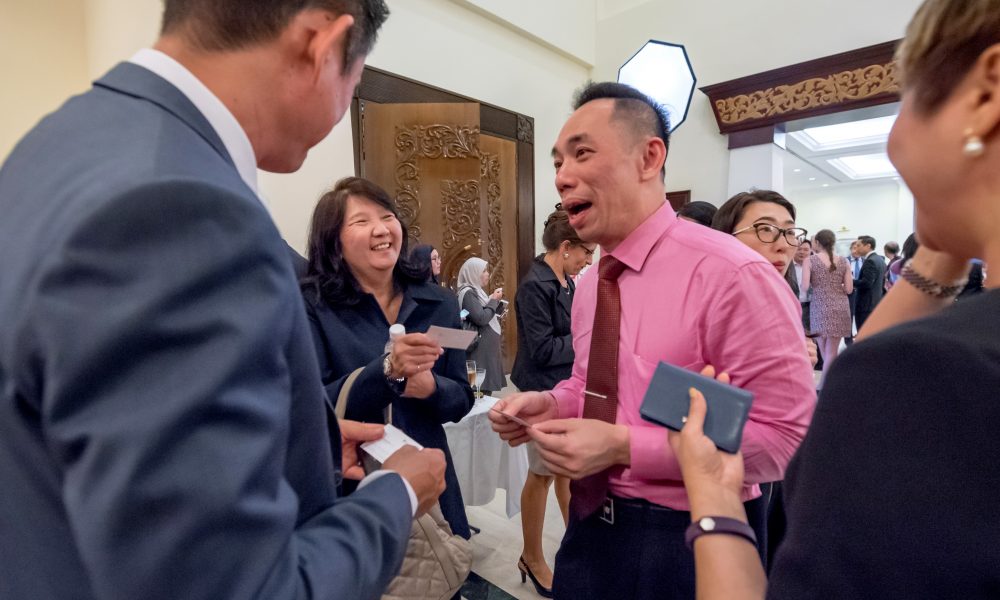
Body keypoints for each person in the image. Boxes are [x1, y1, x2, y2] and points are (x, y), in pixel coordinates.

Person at [0, 2, 452, 599]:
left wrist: (309, 443)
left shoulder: (61, 140)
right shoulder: (184, 208)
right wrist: (393, 496)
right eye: (356, 78)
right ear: (322, 45)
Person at [671, 1, 1000, 598]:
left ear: (985, 94)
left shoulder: (930, 371)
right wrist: (943, 243)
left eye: (906, 100)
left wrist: (714, 497)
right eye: (762, 230)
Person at [489, 81, 815, 600]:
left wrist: (624, 447)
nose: (562, 176)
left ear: (649, 157)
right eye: (557, 162)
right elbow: (592, 383)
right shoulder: (592, 283)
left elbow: (784, 439)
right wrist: (551, 403)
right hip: (591, 523)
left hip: (685, 538)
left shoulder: (733, 275)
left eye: (582, 154)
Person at [301, 177, 474, 540]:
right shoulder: (314, 306)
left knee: (446, 566)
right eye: (361, 221)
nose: (381, 229)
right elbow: (311, 405)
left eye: (387, 216)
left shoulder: (438, 302)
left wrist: (431, 388)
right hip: (355, 480)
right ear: (334, 242)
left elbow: (461, 399)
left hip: (429, 472)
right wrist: (387, 373)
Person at [710, 189, 816, 569]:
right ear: (724, 238)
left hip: (771, 466)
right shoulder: (711, 297)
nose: (783, 244)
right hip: (722, 469)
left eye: (789, 232)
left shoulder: (783, 293)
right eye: (765, 229)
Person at [510, 207, 596, 597]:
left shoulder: (566, 281)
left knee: (566, 472)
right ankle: (531, 555)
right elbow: (542, 350)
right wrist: (585, 340)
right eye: (586, 252)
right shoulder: (535, 285)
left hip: (563, 388)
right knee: (542, 474)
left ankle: (578, 545)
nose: (588, 261)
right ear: (565, 247)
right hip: (540, 390)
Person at [803, 229, 853, 385]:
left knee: (825, 350)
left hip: (819, 306)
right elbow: (849, 289)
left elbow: (804, 287)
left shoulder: (810, 260)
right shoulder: (844, 261)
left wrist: (818, 286)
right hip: (840, 306)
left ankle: (825, 385)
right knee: (831, 351)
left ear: (817, 242)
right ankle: (831, 381)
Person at [457, 257, 507, 394]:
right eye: (483, 271)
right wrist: (493, 301)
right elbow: (481, 318)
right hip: (478, 354)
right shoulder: (468, 293)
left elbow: (481, 313)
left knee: (484, 393)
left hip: (484, 353)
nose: (487, 274)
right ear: (474, 273)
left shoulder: (476, 291)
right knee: (479, 393)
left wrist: (492, 303)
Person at [852, 235, 886, 329]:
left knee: (864, 332)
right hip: (875, 302)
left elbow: (867, 283)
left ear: (868, 246)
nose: (856, 248)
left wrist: (850, 281)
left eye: (859, 245)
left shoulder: (870, 261)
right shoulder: (880, 259)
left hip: (866, 305)